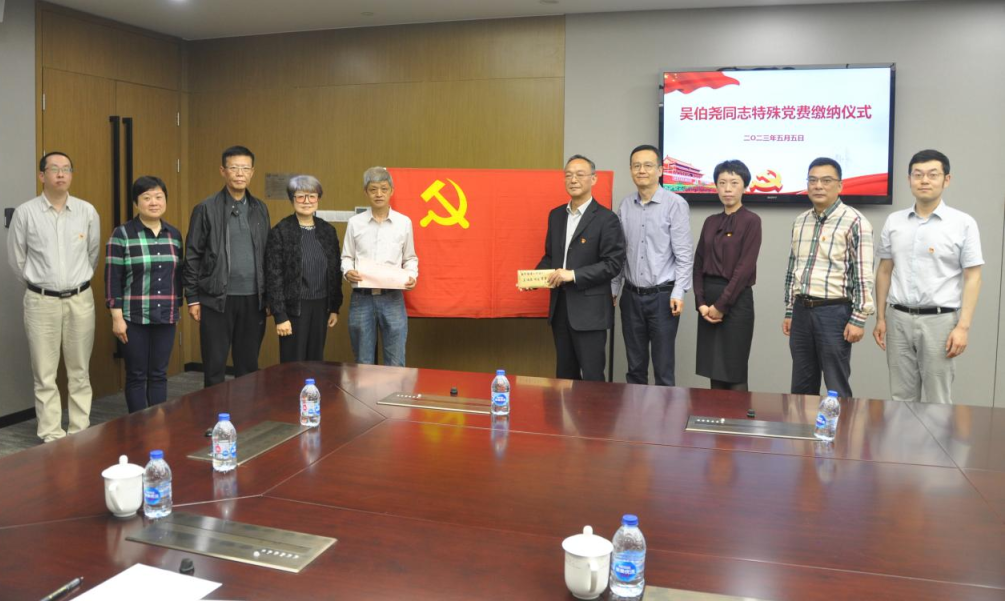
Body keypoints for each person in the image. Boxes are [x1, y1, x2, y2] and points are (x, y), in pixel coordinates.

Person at [873, 149, 982, 404]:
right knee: (901, 398)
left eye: (933, 175)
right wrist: (880, 317)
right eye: (918, 174)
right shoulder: (894, 221)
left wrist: (963, 327)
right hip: (898, 319)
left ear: (946, 180)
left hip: (940, 321)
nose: (924, 180)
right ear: (909, 179)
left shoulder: (963, 223)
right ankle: (903, 434)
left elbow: (973, 277)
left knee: (938, 400)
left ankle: (936, 435)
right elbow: (884, 271)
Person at [7, 152, 100, 442]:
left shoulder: (87, 211)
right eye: (54, 169)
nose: (61, 174)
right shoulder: (26, 213)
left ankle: (79, 430)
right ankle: (51, 434)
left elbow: (93, 254)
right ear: (41, 175)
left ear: (71, 174)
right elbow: (17, 260)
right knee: (44, 373)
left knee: (79, 371)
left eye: (66, 169)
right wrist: (42, 285)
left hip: (80, 300)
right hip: (41, 301)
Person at [783, 157, 874, 398]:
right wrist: (790, 310)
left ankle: (840, 425)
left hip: (835, 312)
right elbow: (793, 268)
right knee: (801, 385)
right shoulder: (800, 221)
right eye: (812, 180)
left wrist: (859, 318)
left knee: (836, 385)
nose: (818, 186)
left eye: (826, 181)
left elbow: (863, 274)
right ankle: (802, 425)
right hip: (802, 311)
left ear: (840, 185)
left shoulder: (855, 222)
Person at [184, 146, 270, 387]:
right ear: (223, 171)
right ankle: (214, 412)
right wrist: (192, 298)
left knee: (248, 366)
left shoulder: (260, 208)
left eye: (245, 168)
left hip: (254, 299)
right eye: (234, 168)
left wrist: (269, 296)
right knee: (214, 367)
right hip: (216, 298)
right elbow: (192, 255)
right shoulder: (206, 208)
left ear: (252, 172)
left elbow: (267, 254)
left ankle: (246, 411)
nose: (240, 173)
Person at [536, 155, 625, 381]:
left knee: (593, 378)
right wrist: (534, 278)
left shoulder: (606, 219)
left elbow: (613, 264)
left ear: (593, 179)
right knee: (564, 378)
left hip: (590, 313)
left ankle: (594, 409)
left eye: (579, 174)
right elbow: (551, 257)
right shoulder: (556, 215)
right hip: (560, 310)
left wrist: (573, 275)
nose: (573, 180)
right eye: (568, 175)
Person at [611, 144, 692, 386]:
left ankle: (664, 413)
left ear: (660, 170)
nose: (642, 170)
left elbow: (684, 255)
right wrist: (614, 288)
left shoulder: (675, 204)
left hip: (662, 298)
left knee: (663, 369)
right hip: (631, 296)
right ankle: (637, 412)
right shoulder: (625, 205)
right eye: (636, 166)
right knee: (635, 369)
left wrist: (679, 292)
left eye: (648, 165)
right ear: (630, 170)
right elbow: (619, 253)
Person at [104, 176, 184, 413]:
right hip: (133, 316)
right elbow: (112, 278)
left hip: (166, 315)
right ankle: (138, 425)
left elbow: (179, 275)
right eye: (147, 197)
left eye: (159, 197)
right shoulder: (122, 234)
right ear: (136, 202)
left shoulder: (174, 234)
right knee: (137, 374)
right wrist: (117, 318)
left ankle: (156, 425)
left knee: (159, 373)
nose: (154, 202)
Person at [693, 160, 761, 391]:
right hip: (708, 301)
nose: (727, 189)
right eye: (722, 183)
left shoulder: (752, 221)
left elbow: (744, 269)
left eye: (734, 183)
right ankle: (716, 416)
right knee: (715, 370)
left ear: (745, 186)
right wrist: (701, 303)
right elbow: (698, 263)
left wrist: (721, 306)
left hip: (736, 301)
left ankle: (737, 416)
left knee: (734, 370)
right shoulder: (710, 221)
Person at [341, 167, 417, 366]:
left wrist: (412, 275)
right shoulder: (355, 223)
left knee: (396, 362)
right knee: (363, 362)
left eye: (384, 189)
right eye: (373, 189)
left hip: (392, 298)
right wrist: (347, 271)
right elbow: (346, 257)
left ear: (392, 191)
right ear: (366, 192)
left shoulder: (403, 222)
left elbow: (410, 258)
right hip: (362, 298)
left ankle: (393, 389)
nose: (379, 194)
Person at [265, 175, 344, 363]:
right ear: (292, 199)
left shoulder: (328, 231)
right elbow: (273, 275)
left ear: (318, 199)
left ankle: (312, 385)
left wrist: (334, 307)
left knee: (315, 361)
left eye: (312, 196)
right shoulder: (281, 231)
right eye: (300, 196)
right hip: (293, 308)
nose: (307, 201)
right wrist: (280, 315)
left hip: (321, 306)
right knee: (293, 362)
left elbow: (335, 271)